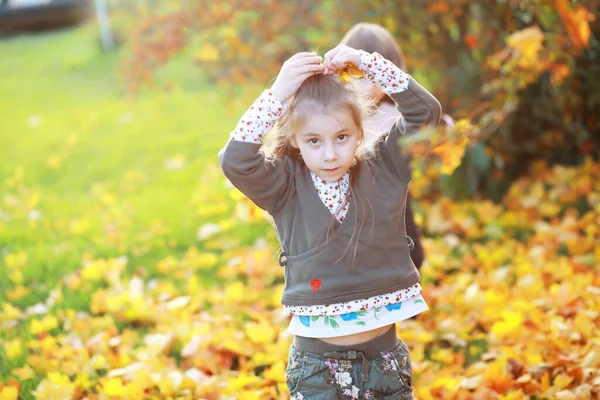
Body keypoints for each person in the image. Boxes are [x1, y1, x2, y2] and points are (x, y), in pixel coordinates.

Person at [219, 45, 441, 398]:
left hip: (384, 362)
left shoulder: (386, 168)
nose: (330, 153)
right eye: (314, 141)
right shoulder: (285, 186)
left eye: (342, 137)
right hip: (316, 369)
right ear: (295, 140)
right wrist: (278, 93)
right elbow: (235, 160)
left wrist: (370, 64)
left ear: (359, 131)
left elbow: (426, 114)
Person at [340, 22, 453, 270]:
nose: (367, 85)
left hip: (395, 196)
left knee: (412, 253)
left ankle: (406, 296)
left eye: (374, 76)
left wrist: (445, 130)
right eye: (358, 76)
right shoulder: (342, 114)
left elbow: (432, 123)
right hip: (353, 198)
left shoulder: (396, 112)